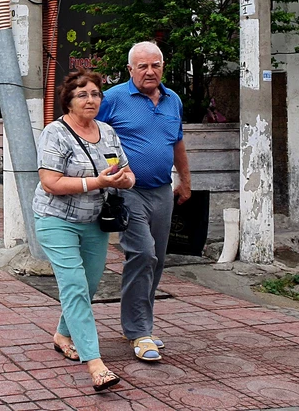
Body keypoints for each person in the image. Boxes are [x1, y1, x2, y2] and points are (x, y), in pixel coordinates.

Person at [34, 70, 135, 391]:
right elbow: (50, 183)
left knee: (88, 286)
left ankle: (63, 334)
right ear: (69, 100)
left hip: (95, 221)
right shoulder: (56, 133)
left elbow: (127, 172)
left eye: (95, 94)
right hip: (56, 220)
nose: (90, 100)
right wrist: (98, 182)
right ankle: (95, 363)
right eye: (82, 95)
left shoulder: (106, 132)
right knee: (75, 285)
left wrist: (123, 180)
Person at [96, 41, 191, 363]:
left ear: (163, 66)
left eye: (156, 65)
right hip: (128, 191)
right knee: (143, 254)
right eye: (142, 66)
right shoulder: (112, 99)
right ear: (130, 69)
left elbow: (176, 142)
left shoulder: (172, 99)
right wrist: (109, 172)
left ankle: (139, 324)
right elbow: (89, 132)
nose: (150, 72)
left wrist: (185, 181)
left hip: (163, 190)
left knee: (158, 259)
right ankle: (139, 332)